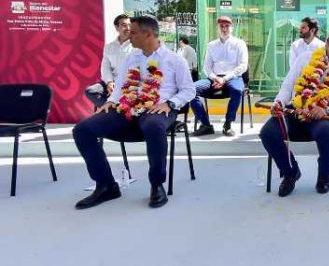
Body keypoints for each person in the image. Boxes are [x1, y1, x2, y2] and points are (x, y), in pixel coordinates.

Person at [72, 16, 196, 210]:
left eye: (134, 32)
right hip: (127, 108)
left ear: (148, 35)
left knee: (154, 126)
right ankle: (106, 185)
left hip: (158, 108)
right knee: (82, 129)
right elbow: (121, 84)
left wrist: (171, 103)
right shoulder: (132, 57)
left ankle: (157, 184)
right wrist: (111, 101)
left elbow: (189, 90)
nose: (129, 35)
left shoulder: (174, 59)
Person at [260, 28, 329, 197]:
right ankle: (290, 173)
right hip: (295, 111)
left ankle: (324, 176)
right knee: (268, 132)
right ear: (328, 43)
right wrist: (278, 103)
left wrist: (327, 109)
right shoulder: (306, 58)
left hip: (322, 116)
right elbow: (288, 86)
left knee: (327, 133)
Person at [191, 16, 248, 137]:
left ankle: (228, 124)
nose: (224, 29)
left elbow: (243, 66)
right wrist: (214, 78)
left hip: (233, 77)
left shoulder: (239, 44)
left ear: (231, 28)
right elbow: (206, 67)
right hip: (214, 78)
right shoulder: (211, 45)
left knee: (237, 90)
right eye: (221, 26)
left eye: (227, 26)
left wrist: (225, 78)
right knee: (190, 89)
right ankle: (205, 125)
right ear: (217, 28)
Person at [84, 14, 133, 108]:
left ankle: (115, 109)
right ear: (116, 27)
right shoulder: (109, 47)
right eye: (124, 25)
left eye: (129, 25)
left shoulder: (137, 46)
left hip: (129, 84)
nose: (127, 28)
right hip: (112, 82)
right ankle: (113, 109)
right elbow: (105, 67)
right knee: (90, 91)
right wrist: (109, 82)